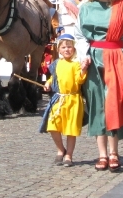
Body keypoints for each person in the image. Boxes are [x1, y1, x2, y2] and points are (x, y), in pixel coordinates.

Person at [73, 0, 123, 172]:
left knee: (116, 103)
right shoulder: (85, 7)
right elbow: (79, 35)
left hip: (117, 57)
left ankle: (114, 153)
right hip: (94, 58)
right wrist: (83, 54)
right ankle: (102, 154)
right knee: (97, 105)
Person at [39, 34, 91, 167]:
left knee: (70, 129)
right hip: (59, 99)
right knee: (52, 125)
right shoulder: (57, 64)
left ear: (73, 48)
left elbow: (80, 80)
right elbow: (54, 78)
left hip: (73, 100)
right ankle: (61, 149)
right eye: (63, 47)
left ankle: (69, 155)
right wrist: (48, 83)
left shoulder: (76, 64)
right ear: (59, 50)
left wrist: (83, 70)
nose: (67, 49)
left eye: (69, 47)